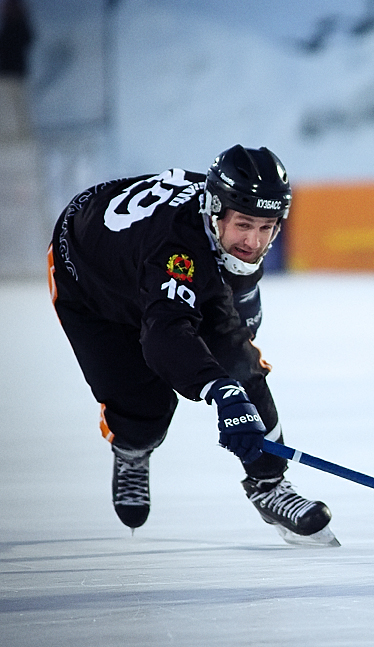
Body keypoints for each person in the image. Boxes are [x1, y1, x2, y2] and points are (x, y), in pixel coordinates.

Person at [49, 144, 336, 546]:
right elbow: (166, 335)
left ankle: (269, 485)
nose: (254, 241)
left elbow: (232, 332)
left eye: (267, 227)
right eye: (244, 225)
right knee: (143, 404)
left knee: (240, 364)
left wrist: (234, 375)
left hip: (151, 260)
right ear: (215, 210)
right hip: (91, 282)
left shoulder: (224, 228)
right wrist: (218, 389)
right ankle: (133, 449)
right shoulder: (178, 248)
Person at [0, 0, 34, 138]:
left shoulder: (18, 24)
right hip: (8, 72)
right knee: (10, 105)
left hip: (14, 72)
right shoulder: (11, 23)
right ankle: (15, 133)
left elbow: (26, 40)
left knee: (17, 104)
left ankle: (22, 133)